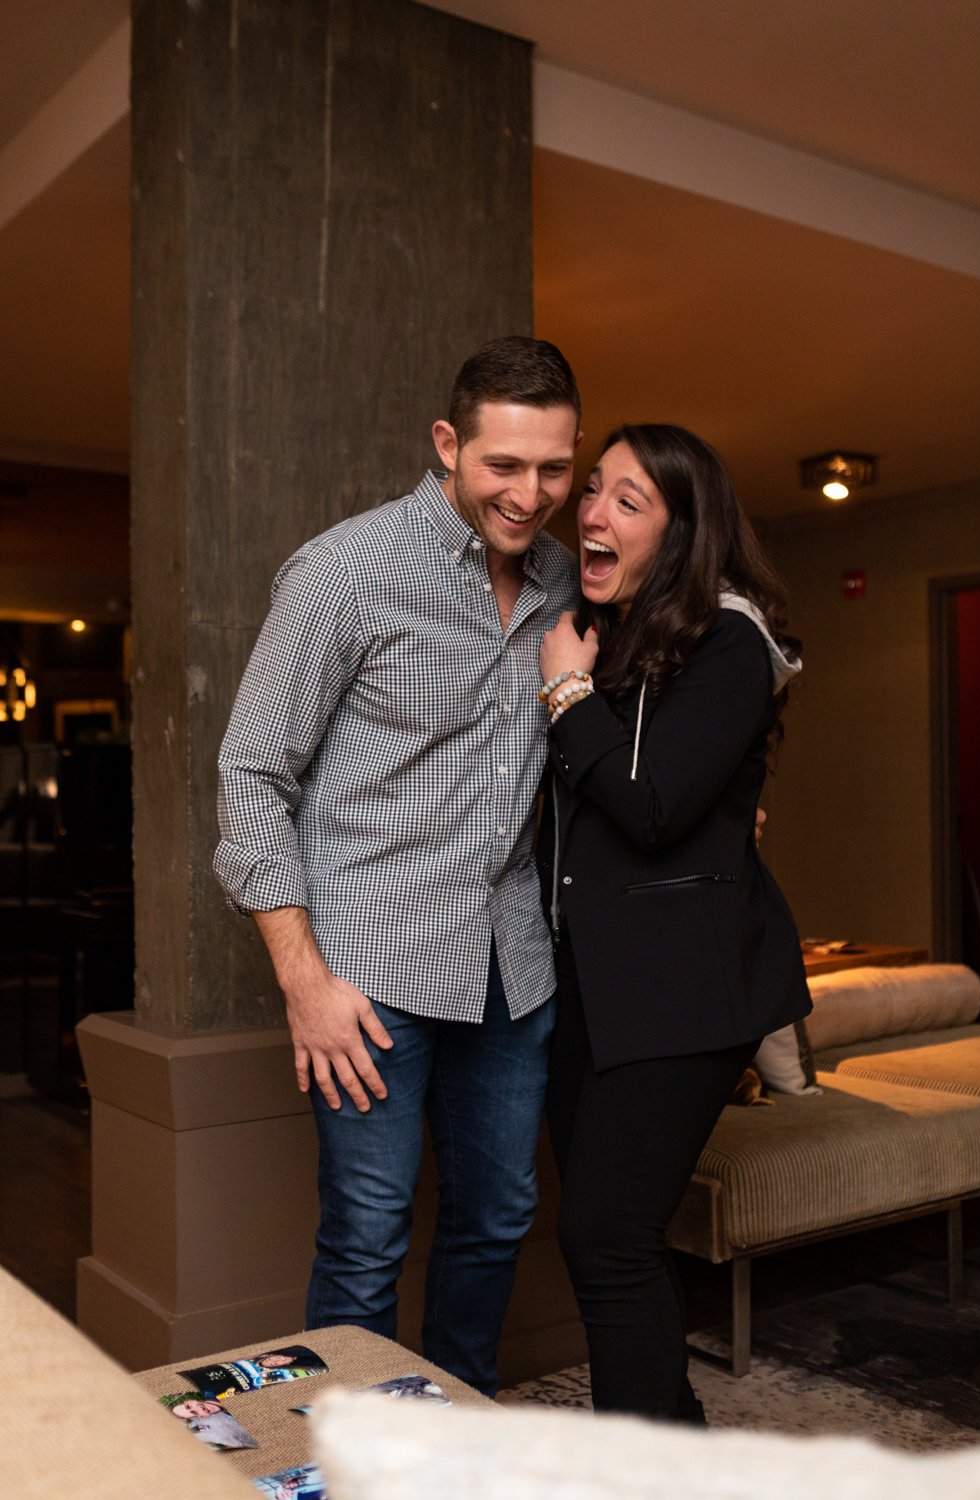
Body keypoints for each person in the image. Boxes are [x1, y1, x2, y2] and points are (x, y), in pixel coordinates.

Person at [214, 336, 581, 1397]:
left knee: (499, 1215)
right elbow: (249, 774)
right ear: (447, 445)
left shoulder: (563, 580)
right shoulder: (345, 569)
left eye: (553, 468)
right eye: (503, 466)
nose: (529, 495)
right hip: (365, 973)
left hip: (512, 967)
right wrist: (304, 984)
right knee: (369, 1233)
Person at [537, 422, 810, 1423]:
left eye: (627, 500)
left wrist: (564, 689)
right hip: (589, 984)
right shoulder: (609, 635)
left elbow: (652, 809)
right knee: (615, 1240)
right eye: (594, 491)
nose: (593, 514)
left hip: (684, 986)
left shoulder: (728, 639)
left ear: (682, 531)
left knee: (604, 1240)